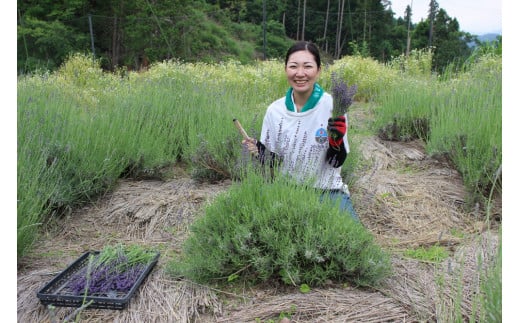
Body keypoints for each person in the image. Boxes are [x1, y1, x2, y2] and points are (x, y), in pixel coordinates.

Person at [243, 41, 359, 222]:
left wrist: (336, 142)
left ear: (319, 70)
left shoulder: (333, 105)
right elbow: (276, 162)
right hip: (287, 189)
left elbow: (336, 163)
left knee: (353, 242)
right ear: (285, 69)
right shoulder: (275, 110)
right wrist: (260, 152)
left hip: (328, 191)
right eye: (293, 66)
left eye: (307, 66)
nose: (300, 73)